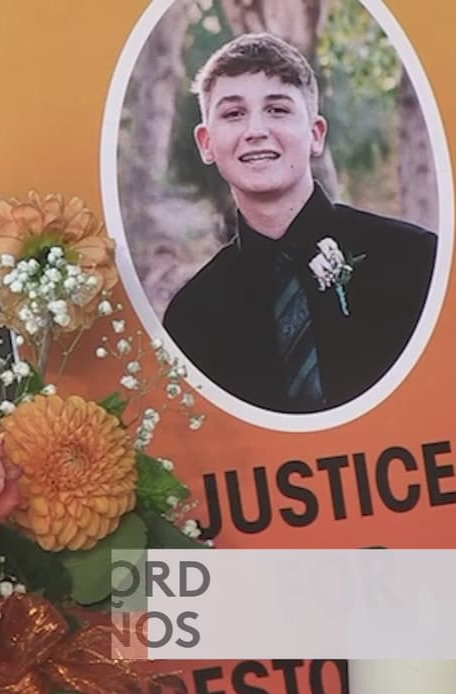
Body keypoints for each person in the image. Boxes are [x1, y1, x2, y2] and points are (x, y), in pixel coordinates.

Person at [162, 33, 437, 415]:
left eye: (277, 109)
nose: (256, 130)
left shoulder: (416, 260)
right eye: (234, 114)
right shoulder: (192, 318)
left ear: (315, 134)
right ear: (206, 143)